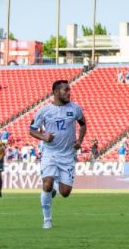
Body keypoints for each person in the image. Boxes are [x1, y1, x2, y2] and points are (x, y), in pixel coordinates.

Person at [29, 80, 87, 229]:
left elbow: (83, 124)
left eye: (69, 90)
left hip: (68, 155)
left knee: (65, 192)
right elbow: (32, 130)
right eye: (65, 90)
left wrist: (79, 140)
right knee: (46, 183)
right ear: (55, 92)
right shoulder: (44, 111)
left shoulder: (75, 108)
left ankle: (55, 188)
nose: (69, 93)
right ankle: (47, 220)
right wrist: (44, 137)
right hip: (50, 153)